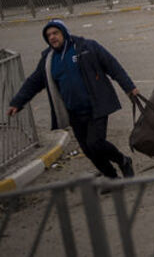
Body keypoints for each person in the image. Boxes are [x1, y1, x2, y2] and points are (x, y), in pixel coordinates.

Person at [8, 20, 137, 179]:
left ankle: (123, 160)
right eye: (48, 35)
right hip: (74, 112)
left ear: (64, 33)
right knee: (88, 150)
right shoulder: (48, 60)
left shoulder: (86, 47)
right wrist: (17, 102)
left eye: (55, 33)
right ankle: (112, 177)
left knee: (95, 143)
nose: (52, 37)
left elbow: (113, 66)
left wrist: (129, 88)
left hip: (96, 106)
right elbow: (34, 81)